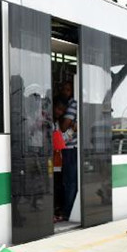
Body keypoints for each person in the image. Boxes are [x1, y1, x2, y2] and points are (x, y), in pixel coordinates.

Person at [58, 80, 79, 221]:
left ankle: (67, 212)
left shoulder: (73, 104)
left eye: (68, 89)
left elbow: (64, 127)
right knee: (69, 181)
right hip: (71, 148)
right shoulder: (71, 105)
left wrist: (68, 123)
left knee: (69, 182)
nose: (65, 92)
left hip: (70, 149)